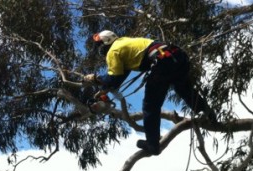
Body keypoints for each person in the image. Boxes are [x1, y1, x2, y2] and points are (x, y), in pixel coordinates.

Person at [84, 30, 216, 155]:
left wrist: (96, 78)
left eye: (99, 45)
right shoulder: (125, 42)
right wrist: (104, 87)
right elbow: (120, 77)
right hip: (178, 56)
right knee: (184, 89)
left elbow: (113, 79)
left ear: (106, 42)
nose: (99, 49)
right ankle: (210, 116)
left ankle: (152, 144)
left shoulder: (113, 51)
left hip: (163, 62)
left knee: (150, 105)